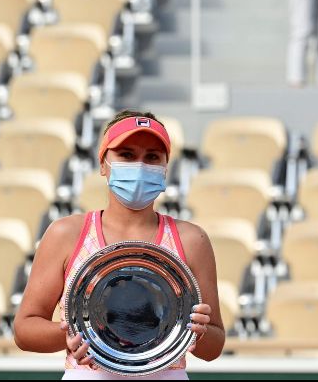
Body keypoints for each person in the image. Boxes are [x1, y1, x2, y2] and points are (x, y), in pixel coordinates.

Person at [14, 111, 225, 379]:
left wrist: (200, 332)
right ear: (103, 164)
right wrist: (68, 335)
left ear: (164, 168)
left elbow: (213, 346)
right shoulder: (66, 233)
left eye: (152, 157)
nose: (139, 165)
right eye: (126, 155)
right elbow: (25, 329)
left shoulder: (192, 240)